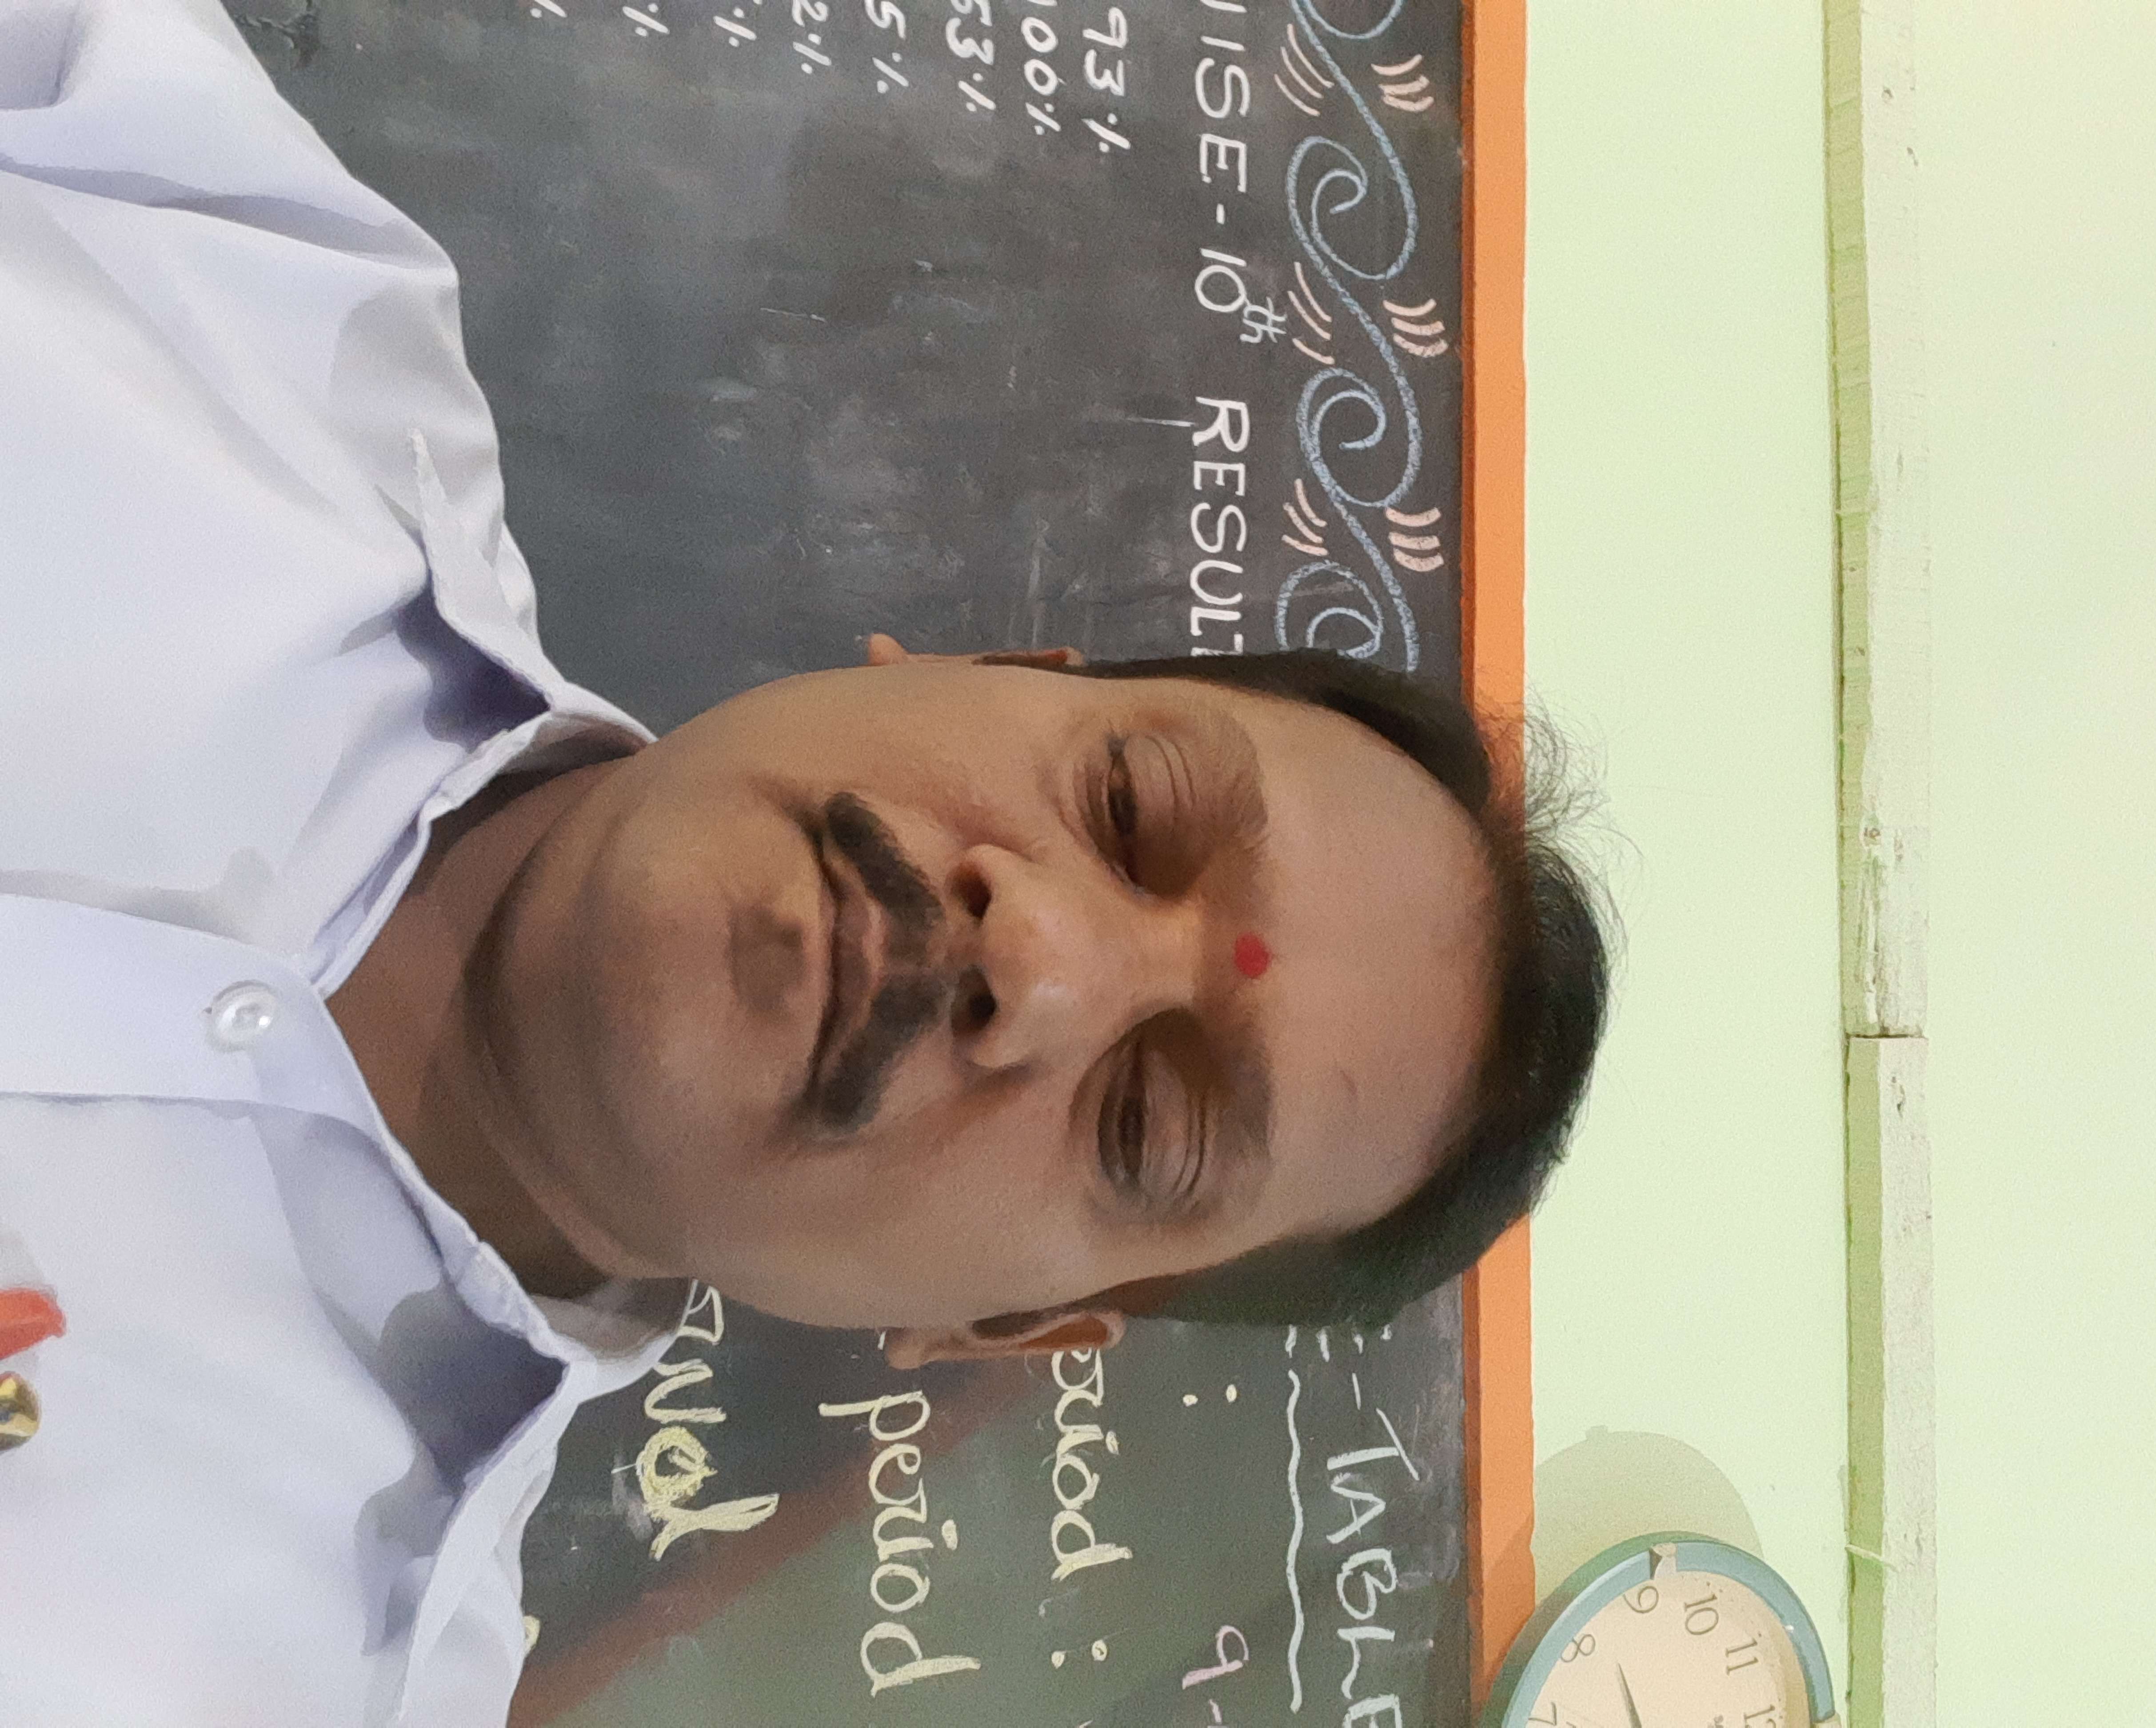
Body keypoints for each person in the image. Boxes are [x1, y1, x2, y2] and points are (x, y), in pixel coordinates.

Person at [0, 0, 1609, 1720]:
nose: (1038, 958)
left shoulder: (301, 1682)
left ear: (1002, 1331)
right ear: (993, 663)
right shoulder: (228, 270)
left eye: (1147, 1122)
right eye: (1130, 809)